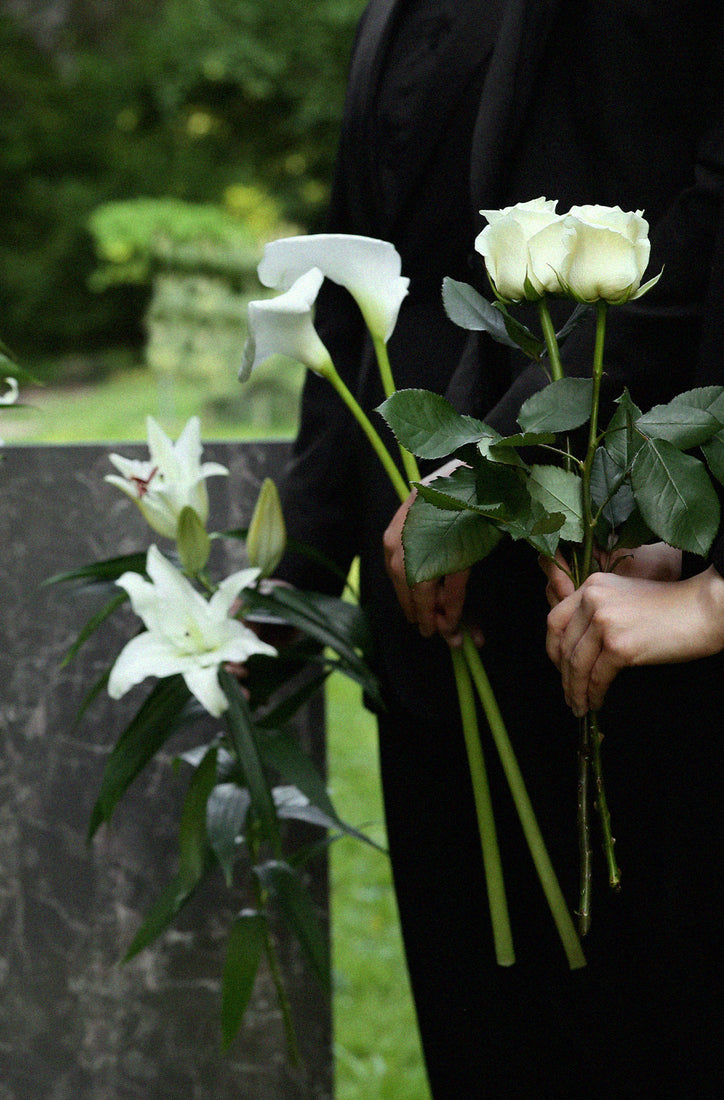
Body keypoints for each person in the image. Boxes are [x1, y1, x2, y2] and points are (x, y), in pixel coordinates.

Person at [275, 1, 724, 1095]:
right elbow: (357, 281)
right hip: (429, 620)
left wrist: (496, 468)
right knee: (482, 1034)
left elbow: (698, 224)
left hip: (621, 579)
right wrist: (289, 571)